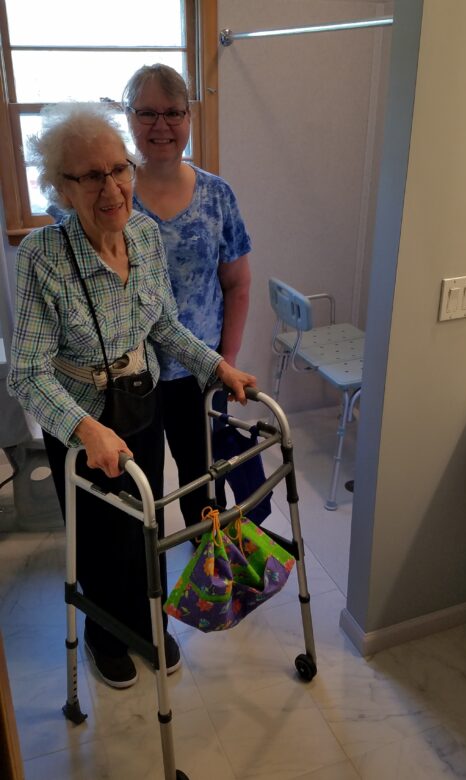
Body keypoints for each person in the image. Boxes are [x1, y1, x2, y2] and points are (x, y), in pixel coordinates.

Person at [7, 102, 256, 690]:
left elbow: (165, 327)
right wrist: (85, 430)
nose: (112, 187)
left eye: (118, 169)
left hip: (139, 401)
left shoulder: (142, 234)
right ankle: (104, 634)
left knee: (145, 520)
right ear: (62, 188)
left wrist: (218, 365)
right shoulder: (40, 258)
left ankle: (147, 619)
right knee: (98, 538)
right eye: (91, 176)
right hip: (81, 421)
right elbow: (27, 372)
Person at [122, 64, 252, 528]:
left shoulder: (217, 196)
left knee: (204, 482)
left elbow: (237, 284)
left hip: (202, 370)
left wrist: (228, 358)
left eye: (174, 113)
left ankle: (208, 580)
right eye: (148, 113)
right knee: (141, 488)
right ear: (129, 118)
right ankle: (147, 586)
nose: (162, 126)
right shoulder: (112, 199)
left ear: (189, 119)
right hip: (131, 376)